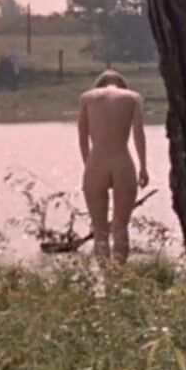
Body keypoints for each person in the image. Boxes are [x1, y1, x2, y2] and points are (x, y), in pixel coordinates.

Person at [77, 70, 149, 266]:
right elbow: (139, 134)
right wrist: (143, 167)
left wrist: (89, 166)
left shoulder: (87, 99)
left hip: (97, 162)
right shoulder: (133, 98)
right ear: (122, 83)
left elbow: (82, 138)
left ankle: (105, 276)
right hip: (122, 162)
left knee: (100, 230)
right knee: (121, 226)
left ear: (98, 84)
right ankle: (119, 274)